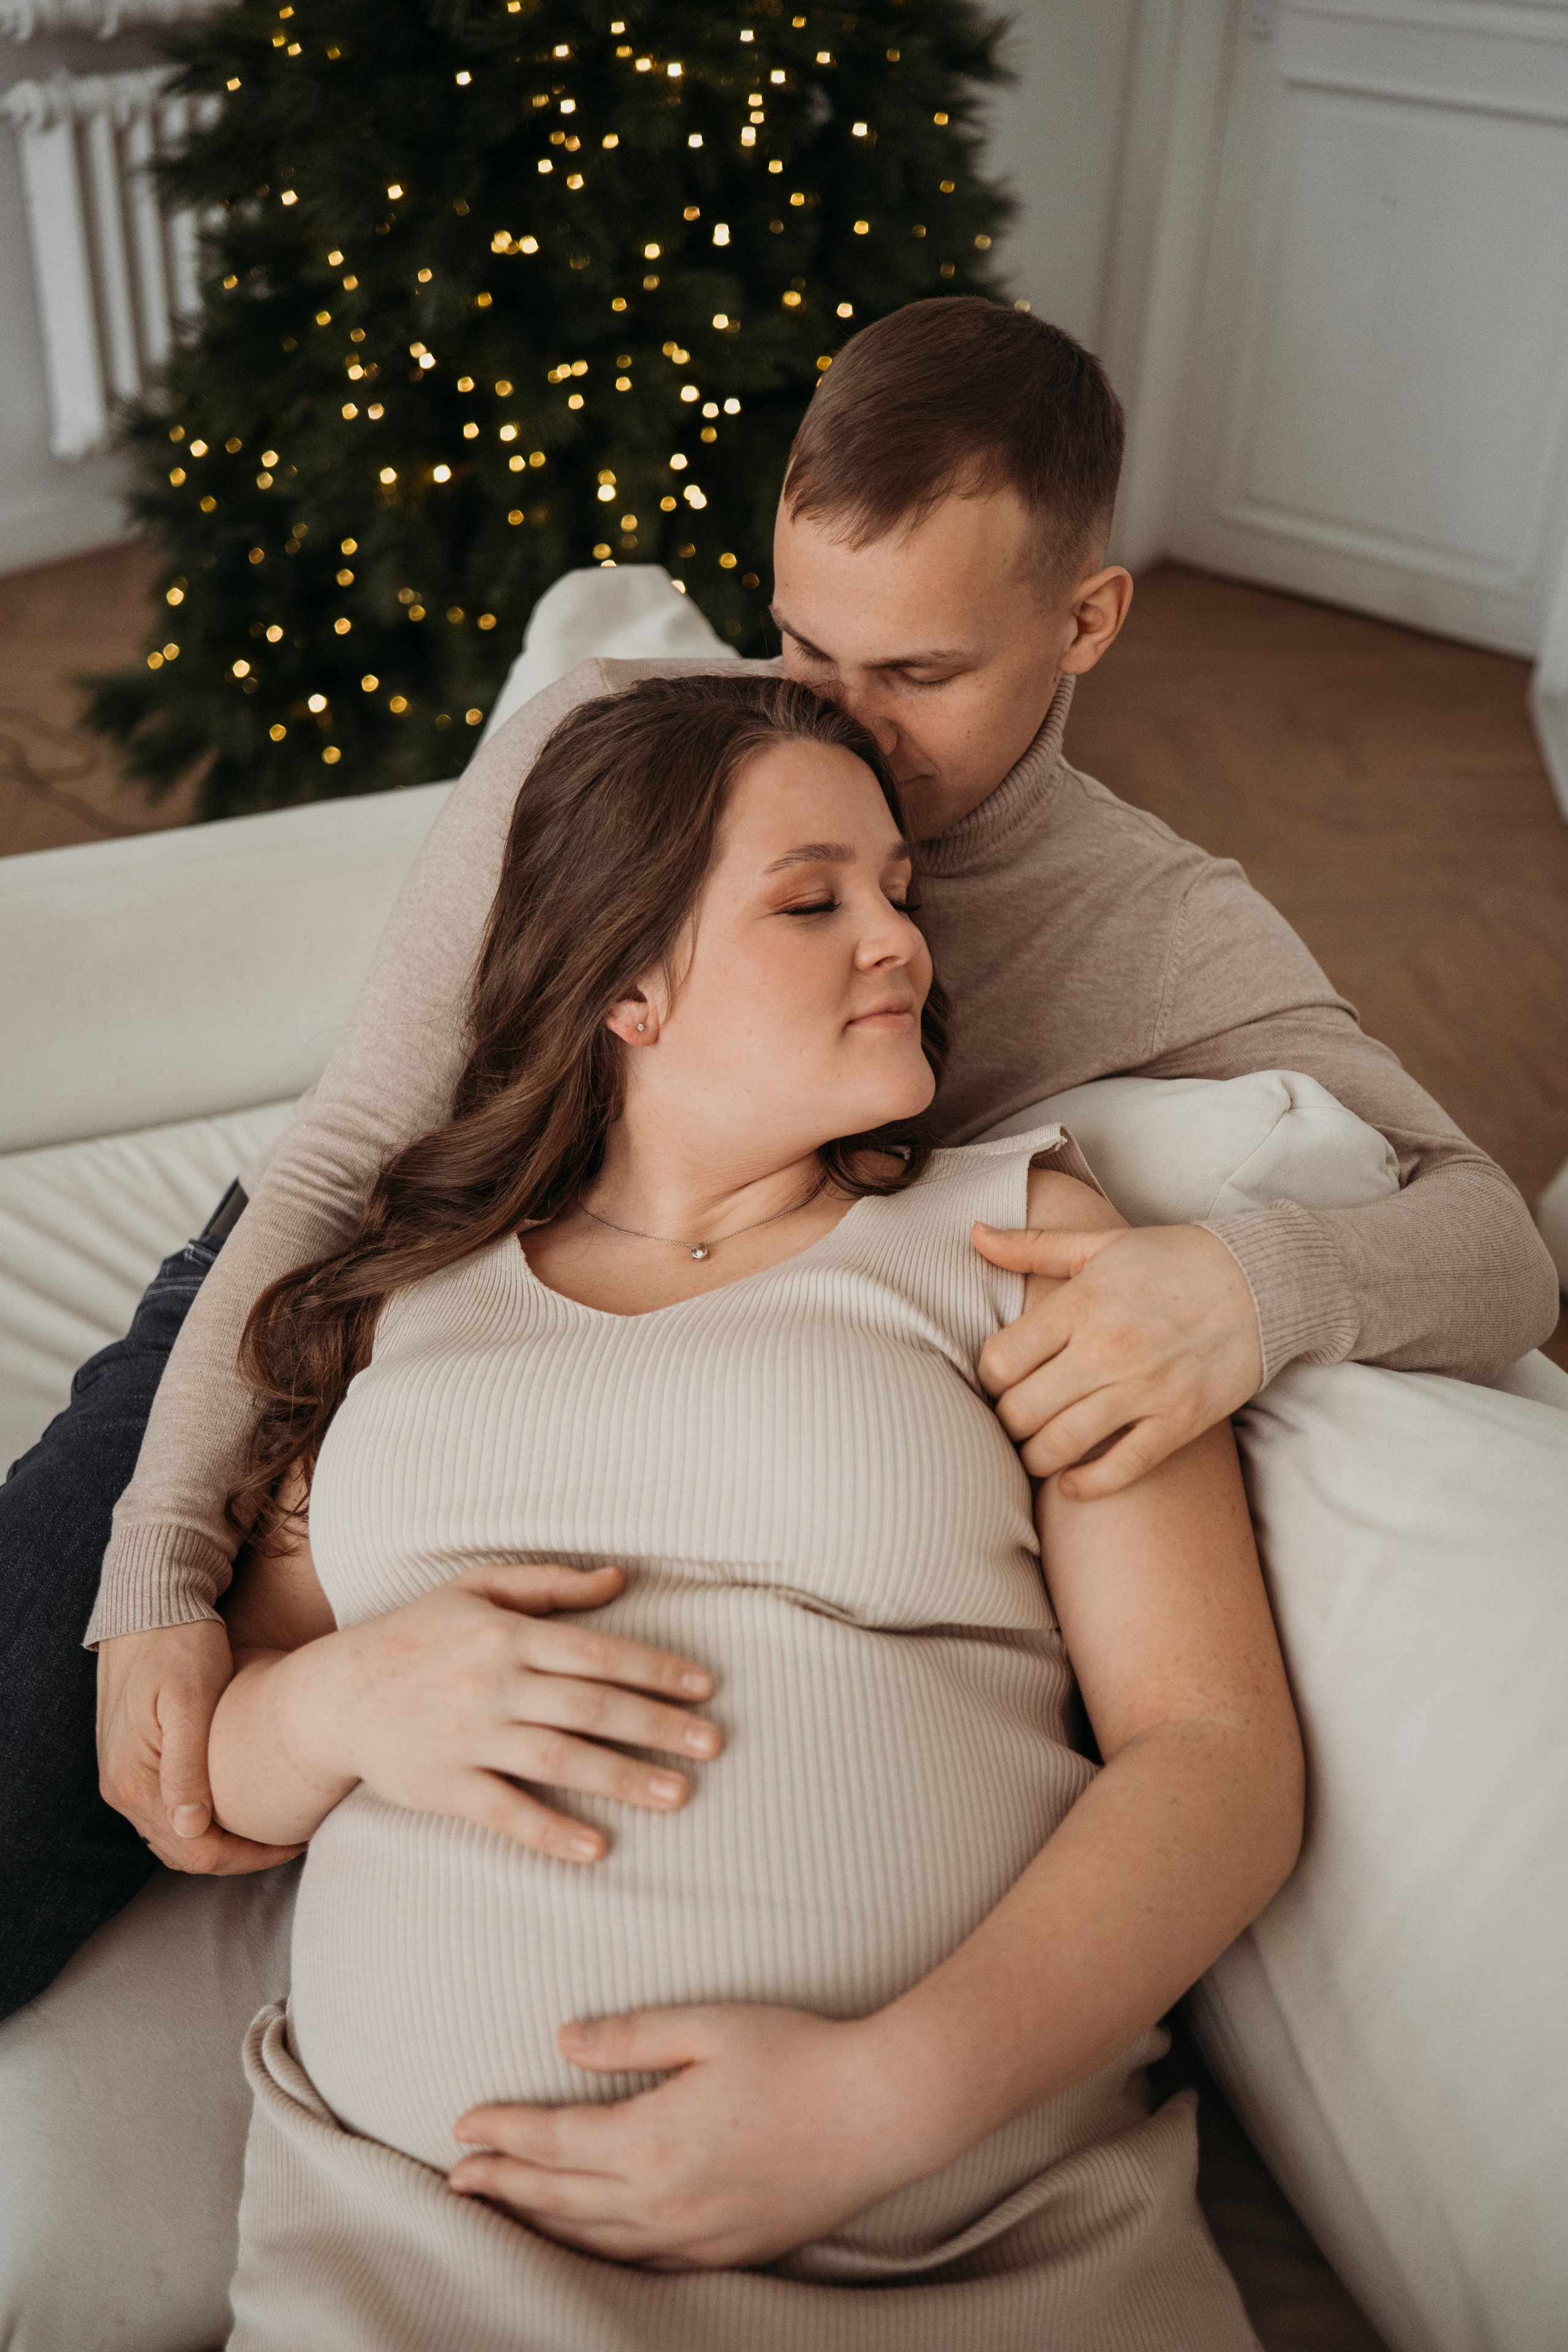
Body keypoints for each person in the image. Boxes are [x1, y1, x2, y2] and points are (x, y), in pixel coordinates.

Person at [0, 296, 1552, 2017]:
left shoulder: (1163, 926)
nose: (839, 722)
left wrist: (1253, 1288)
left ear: (1087, 621)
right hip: (368, 1260)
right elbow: (350, 1145)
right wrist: (161, 1558)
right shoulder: (613, 728)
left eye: (917, 674)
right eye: (807, 648)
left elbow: (1499, 1241)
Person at [209, 671, 1303, 2345]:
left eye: (899, 892)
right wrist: (336, 1699)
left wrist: (879, 2103)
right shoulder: (399, 1295)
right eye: (813, 902)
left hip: (942, 2251)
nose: (902, 943)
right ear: (626, 983)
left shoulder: (1016, 1234)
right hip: (407, 2258)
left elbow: (1218, 1756)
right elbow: (220, 1782)